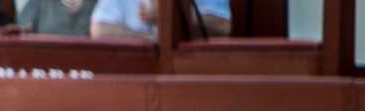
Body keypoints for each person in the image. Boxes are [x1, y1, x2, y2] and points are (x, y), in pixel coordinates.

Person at [90, 0, 231, 40]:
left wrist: (168, 15)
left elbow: (224, 27)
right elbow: (100, 30)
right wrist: (152, 39)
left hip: (194, 75)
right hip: (137, 78)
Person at [15, 0, 98, 37]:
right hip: (47, 63)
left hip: (89, 65)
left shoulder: (101, 4)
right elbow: (22, 32)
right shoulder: (40, 2)